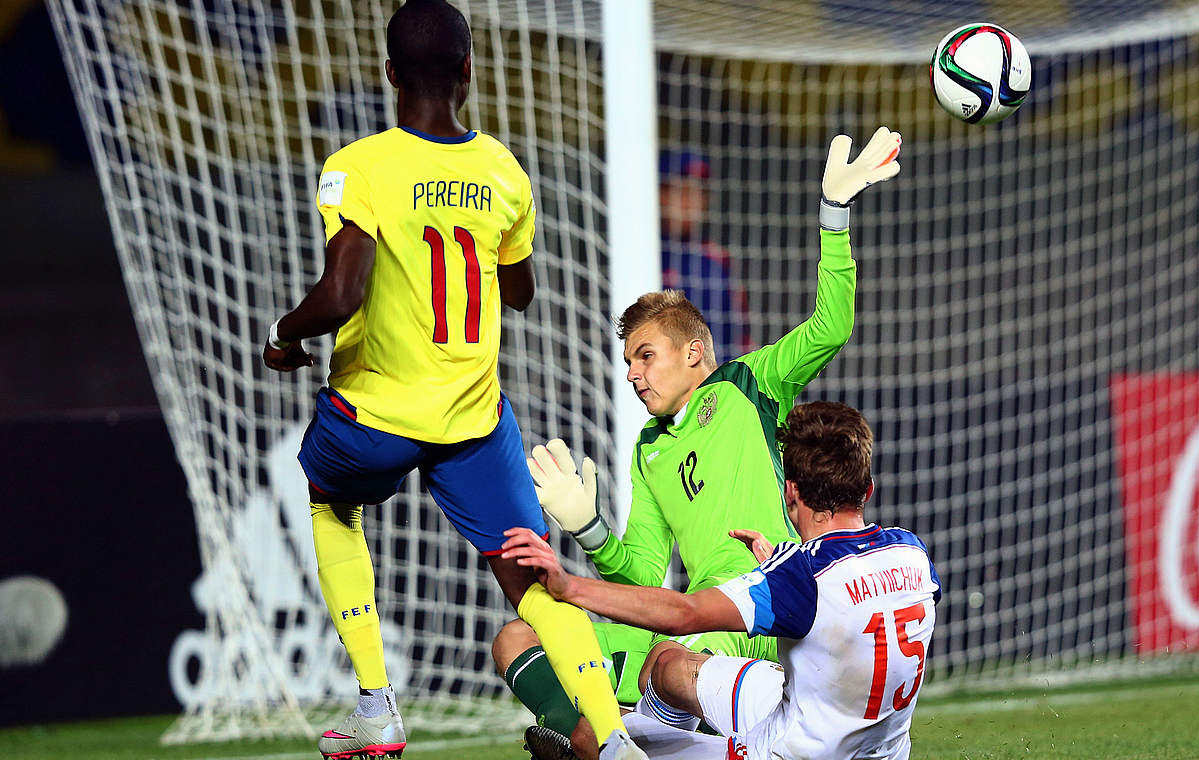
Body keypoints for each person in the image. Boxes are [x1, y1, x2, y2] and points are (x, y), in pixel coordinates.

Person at [260, 3, 643, 758]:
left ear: (391, 73)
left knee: (330, 504)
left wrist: (283, 334)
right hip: (471, 420)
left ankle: (377, 707)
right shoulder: (502, 170)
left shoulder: (359, 165)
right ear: (469, 71)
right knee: (533, 571)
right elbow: (522, 292)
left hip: (374, 414)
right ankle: (620, 740)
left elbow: (340, 294)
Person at [492, 127, 902, 758]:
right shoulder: (648, 449)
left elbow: (832, 324)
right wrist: (590, 529)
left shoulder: (750, 384)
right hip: (691, 620)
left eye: (646, 356)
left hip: (760, 618)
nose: (633, 373)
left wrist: (834, 216)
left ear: (695, 353)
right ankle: (597, 740)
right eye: (629, 361)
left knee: (655, 669)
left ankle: (598, 743)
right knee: (519, 638)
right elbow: (641, 572)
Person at [502, 401, 941, 760]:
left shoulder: (802, 576)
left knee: (591, 741)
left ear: (789, 493)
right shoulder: (912, 552)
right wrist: (782, 565)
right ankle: (639, 727)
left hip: (789, 751)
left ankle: (617, 737)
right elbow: (856, 604)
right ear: (867, 489)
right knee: (667, 665)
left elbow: (685, 614)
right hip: (859, 735)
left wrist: (570, 586)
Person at [658, 150, 752, 361]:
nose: (691, 201)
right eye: (682, 191)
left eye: (699, 192)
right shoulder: (640, 258)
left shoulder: (718, 259)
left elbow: (741, 335)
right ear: (660, 195)